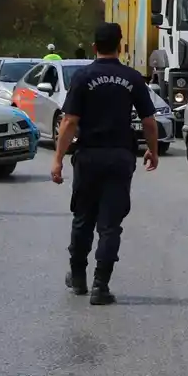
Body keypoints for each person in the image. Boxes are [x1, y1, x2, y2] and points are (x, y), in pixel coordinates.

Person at [51, 22, 157, 305]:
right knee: (110, 225)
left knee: (83, 218)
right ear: (121, 47)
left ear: (94, 46)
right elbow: (149, 121)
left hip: (88, 157)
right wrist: (153, 151)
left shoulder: (83, 77)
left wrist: (58, 159)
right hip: (120, 157)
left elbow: (70, 121)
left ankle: (77, 278)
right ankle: (101, 285)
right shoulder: (133, 78)